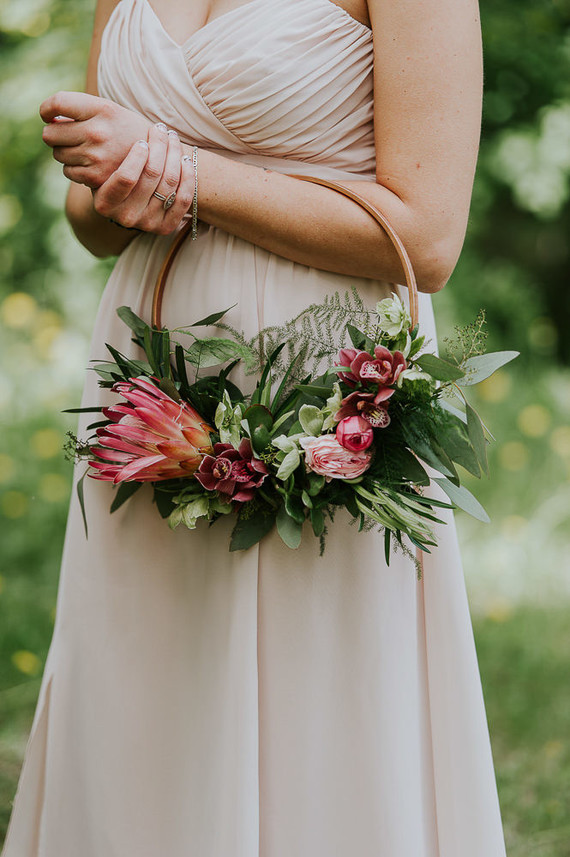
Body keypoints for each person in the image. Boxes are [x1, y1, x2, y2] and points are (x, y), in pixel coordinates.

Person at [2, 0, 507, 854]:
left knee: (323, 682)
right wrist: (109, 170)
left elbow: (426, 238)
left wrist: (193, 178)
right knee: (146, 669)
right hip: (152, 373)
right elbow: (90, 226)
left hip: (324, 380)